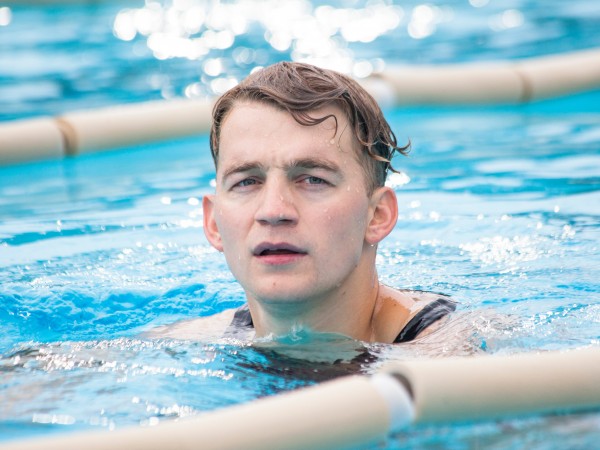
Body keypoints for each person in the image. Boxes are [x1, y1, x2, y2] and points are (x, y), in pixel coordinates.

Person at [151, 61, 455, 344]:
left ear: (377, 215)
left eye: (312, 180)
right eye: (247, 182)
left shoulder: (446, 351)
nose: (273, 211)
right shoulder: (175, 347)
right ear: (213, 223)